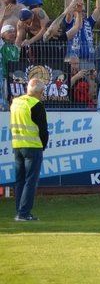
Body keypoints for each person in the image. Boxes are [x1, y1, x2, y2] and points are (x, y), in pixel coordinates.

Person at [11, 77, 49, 221]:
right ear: (40, 92)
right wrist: (43, 145)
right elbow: (43, 130)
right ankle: (24, 213)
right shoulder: (36, 105)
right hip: (32, 146)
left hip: (17, 145)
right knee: (30, 181)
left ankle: (19, 211)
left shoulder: (15, 102)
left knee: (20, 181)